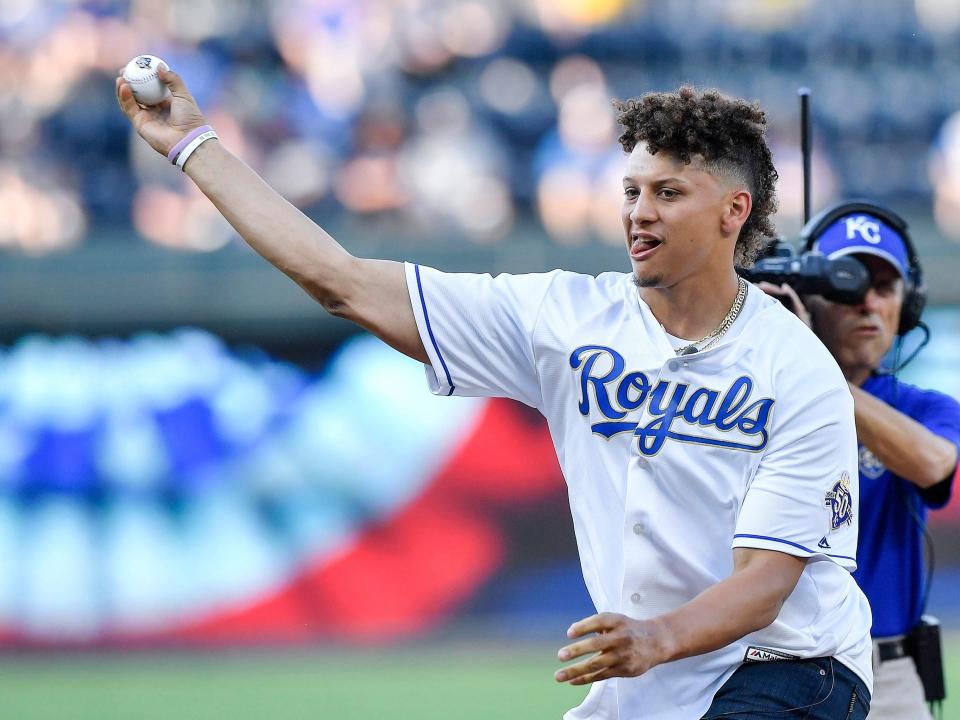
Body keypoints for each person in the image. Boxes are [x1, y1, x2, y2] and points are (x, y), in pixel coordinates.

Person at [116, 73, 873, 719]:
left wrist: (654, 639)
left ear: (732, 212)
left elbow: (766, 585)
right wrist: (193, 146)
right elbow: (341, 281)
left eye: (669, 193)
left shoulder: (794, 368)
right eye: (632, 189)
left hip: (793, 667)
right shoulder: (567, 317)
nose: (639, 211)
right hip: (655, 676)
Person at [760, 205, 960, 720]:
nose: (869, 302)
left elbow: (935, 464)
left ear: (908, 304)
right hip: (769, 666)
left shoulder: (922, 409)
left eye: (886, 286)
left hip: (888, 671)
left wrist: (813, 368)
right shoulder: (754, 390)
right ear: (807, 299)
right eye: (848, 284)